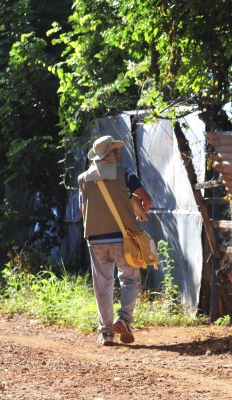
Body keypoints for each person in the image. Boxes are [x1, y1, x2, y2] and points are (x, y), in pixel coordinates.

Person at [78, 135, 153, 346]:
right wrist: (140, 214)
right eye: (116, 150)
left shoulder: (83, 179)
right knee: (129, 279)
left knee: (103, 286)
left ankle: (106, 333)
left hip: (95, 240)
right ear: (110, 154)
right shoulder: (125, 174)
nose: (119, 154)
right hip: (123, 238)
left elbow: (83, 209)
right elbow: (146, 199)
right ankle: (124, 319)